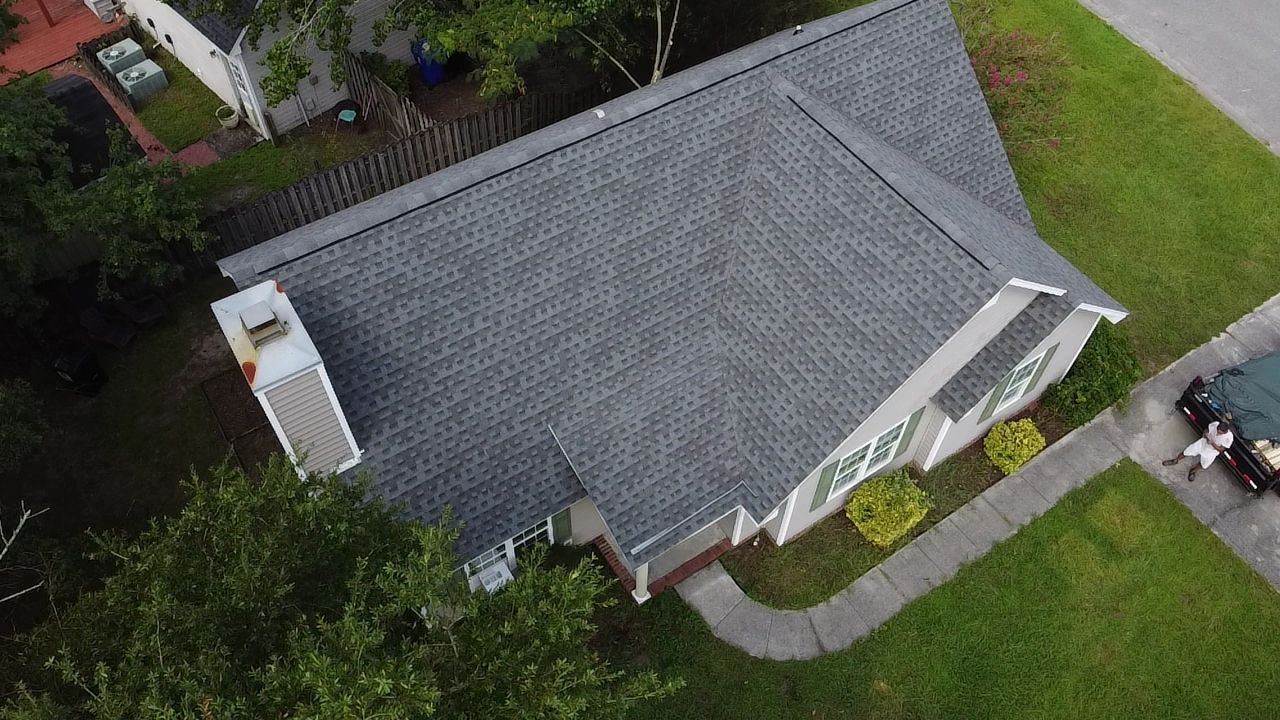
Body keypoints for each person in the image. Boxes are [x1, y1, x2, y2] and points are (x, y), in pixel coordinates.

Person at [1163, 414, 1235, 482]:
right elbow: (1207, 429)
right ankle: (1176, 460)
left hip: (1211, 452)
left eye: (1220, 433)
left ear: (1225, 432)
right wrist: (1204, 434)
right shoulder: (1215, 424)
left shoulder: (1229, 437)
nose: (1217, 434)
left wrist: (1212, 443)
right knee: (1187, 451)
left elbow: (1221, 449)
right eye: (1217, 431)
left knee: (1203, 464)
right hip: (1203, 443)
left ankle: (1193, 471)